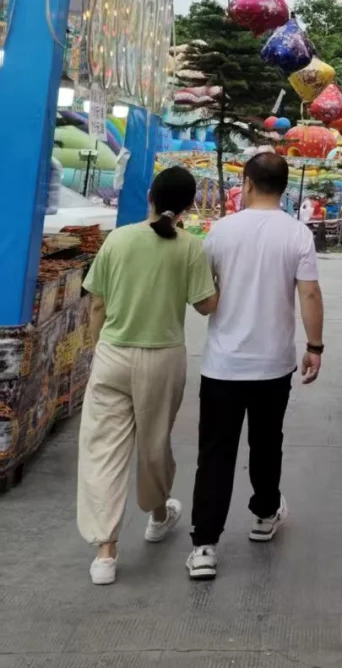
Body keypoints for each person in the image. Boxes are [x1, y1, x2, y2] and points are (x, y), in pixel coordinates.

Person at [186, 152, 324, 582]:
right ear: (284, 187)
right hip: (273, 364)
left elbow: (204, 296)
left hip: (222, 365)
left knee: (215, 452)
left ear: (246, 183)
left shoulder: (220, 232)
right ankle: (264, 515)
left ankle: (204, 546)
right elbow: (310, 294)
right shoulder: (297, 233)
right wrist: (315, 346)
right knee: (267, 442)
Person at [77, 166, 217, 586]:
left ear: (150, 196)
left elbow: (96, 304)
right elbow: (206, 305)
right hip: (163, 359)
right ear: (189, 206)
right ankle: (157, 516)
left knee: (103, 448)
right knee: (154, 443)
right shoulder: (190, 247)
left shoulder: (118, 239)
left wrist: (97, 348)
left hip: (113, 354)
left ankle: (105, 552)